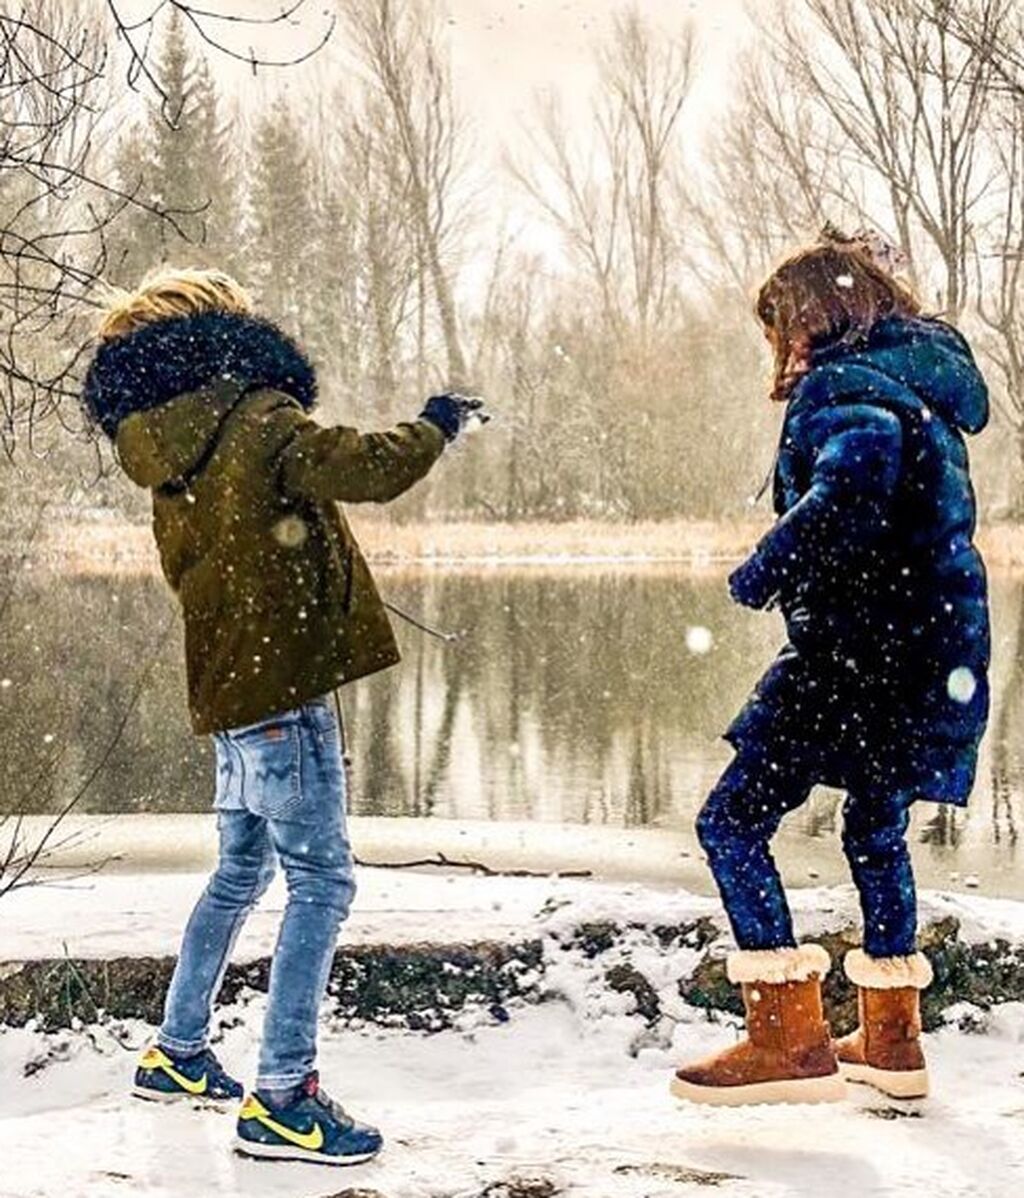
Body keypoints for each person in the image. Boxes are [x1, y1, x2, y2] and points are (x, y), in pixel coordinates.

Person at [81, 266, 488, 1164]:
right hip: (283, 694)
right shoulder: (255, 417)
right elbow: (366, 467)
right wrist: (438, 423)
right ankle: (282, 1098)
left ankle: (178, 1053)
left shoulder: (163, 440)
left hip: (231, 690)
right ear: (226, 330)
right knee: (323, 883)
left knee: (239, 875)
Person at [672, 230, 990, 1107]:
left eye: (779, 325)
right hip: (933, 647)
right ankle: (891, 1040)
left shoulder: (845, 386)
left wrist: (763, 568)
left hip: (859, 655)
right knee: (873, 829)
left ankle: (786, 1037)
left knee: (730, 821)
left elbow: (852, 487)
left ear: (813, 317)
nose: (778, 346)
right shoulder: (918, 382)